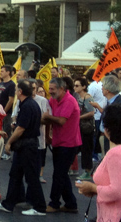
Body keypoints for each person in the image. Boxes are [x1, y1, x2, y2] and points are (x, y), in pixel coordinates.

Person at [0, 80, 47, 216]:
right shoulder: (28, 104)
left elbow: (21, 128)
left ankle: (40, 207)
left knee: (32, 176)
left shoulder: (28, 105)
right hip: (25, 145)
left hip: (28, 145)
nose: (15, 92)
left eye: (17, 90)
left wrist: (9, 142)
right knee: (15, 174)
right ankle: (10, 203)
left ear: (20, 92)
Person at [43, 77, 81, 213]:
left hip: (69, 143)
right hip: (58, 141)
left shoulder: (70, 101)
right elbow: (48, 118)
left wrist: (47, 117)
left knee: (59, 174)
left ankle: (54, 203)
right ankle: (71, 203)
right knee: (62, 174)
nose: (50, 91)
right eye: (49, 88)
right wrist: (47, 135)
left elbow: (61, 121)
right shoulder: (53, 100)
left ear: (62, 89)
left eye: (52, 89)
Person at [74, 77, 96, 181]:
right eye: (74, 85)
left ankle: (87, 171)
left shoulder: (87, 97)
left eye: (77, 85)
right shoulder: (78, 96)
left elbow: (91, 112)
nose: (75, 87)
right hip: (79, 126)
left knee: (86, 149)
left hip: (86, 127)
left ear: (84, 86)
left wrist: (79, 117)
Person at [0, 65, 16, 161]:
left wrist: (4, 111)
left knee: (6, 131)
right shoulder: (1, 84)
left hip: (6, 113)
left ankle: (7, 152)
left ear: (8, 72)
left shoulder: (11, 85)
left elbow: (11, 100)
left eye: (2, 71)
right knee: (0, 131)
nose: (0, 72)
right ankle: (1, 151)